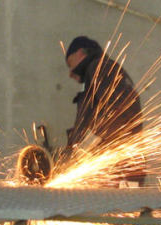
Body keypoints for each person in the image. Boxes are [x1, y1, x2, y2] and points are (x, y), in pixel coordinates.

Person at [61, 36, 145, 185]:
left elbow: (118, 111)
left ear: (80, 53)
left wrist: (86, 145)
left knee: (118, 207)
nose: (70, 72)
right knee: (119, 207)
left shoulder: (100, 68)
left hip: (117, 167)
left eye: (70, 63)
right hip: (120, 165)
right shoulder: (101, 71)